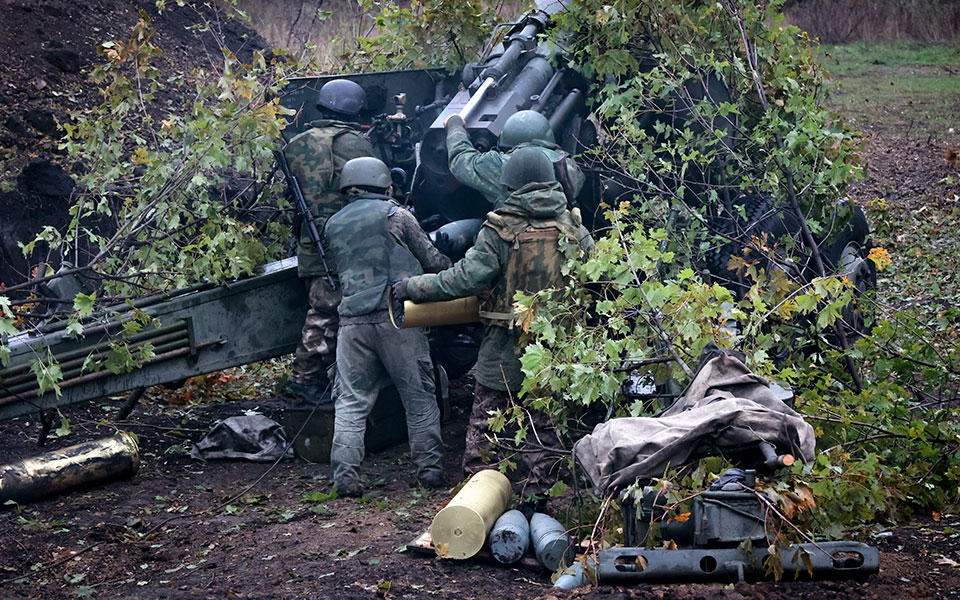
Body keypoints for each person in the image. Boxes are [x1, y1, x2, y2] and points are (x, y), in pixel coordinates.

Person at [393, 147, 595, 500]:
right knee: (546, 433)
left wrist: (413, 287)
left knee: (486, 434)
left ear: (511, 184)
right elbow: (597, 281)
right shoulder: (576, 229)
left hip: (504, 350)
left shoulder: (500, 228)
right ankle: (538, 502)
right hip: (557, 353)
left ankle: (478, 504)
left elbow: (463, 279)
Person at [323, 157, 452, 496]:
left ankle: (346, 481)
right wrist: (451, 263)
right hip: (397, 319)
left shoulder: (333, 225)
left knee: (350, 404)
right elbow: (433, 261)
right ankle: (430, 475)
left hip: (351, 325)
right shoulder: (398, 216)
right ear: (385, 185)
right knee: (419, 397)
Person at [282, 79, 375, 405]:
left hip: (312, 242)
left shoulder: (297, 143)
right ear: (355, 109)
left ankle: (319, 377)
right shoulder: (353, 144)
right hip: (345, 244)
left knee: (323, 309)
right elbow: (374, 189)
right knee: (328, 312)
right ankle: (305, 378)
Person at [444, 109, 585, 210]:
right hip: (561, 235)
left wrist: (455, 126)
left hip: (512, 236)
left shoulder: (499, 165)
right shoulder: (567, 164)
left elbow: (462, 160)